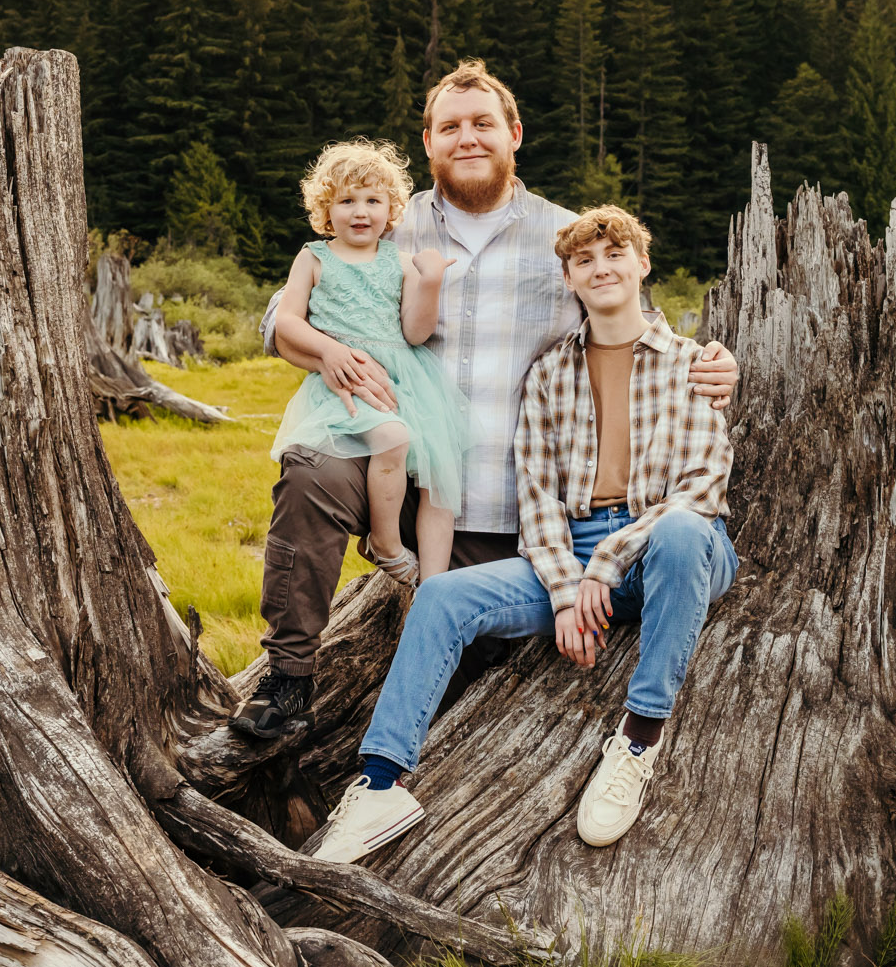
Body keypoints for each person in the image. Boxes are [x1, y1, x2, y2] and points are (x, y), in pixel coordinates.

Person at [229, 61, 739, 742]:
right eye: (450, 127)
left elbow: (629, 321)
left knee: (479, 681)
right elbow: (280, 314)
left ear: (514, 134)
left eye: (482, 124)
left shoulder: (562, 235)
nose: (467, 138)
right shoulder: (386, 220)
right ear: (429, 142)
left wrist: (713, 359)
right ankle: (290, 673)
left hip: (510, 502)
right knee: (312, 472)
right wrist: (326, 351)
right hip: (402, 466)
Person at [310, 205, 736, 860]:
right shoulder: (549, 374)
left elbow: (700, 487)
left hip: (674, 549)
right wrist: (568, 590)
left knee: (680, 529)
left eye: (614, 253)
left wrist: (605, 567)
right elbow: (537, 502)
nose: (601, 268)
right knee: (442, 596)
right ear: (567, 277)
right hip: (579, 547)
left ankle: (638, 739)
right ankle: (380, 782)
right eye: (584, 260)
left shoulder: (693, 364)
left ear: (641, 263)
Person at [265, 139, 467, 581]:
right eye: (347, 200)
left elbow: (416, 331)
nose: (360, 211)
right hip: (345, 378)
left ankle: (433, 587)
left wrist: (430, 281)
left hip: (408, 380)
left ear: (390, 209)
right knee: (394, 438)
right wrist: (329, 350)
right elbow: (287, 323)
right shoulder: (313, 257)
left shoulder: (401, 261)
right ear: (326, 209)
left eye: (373, 200)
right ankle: (386, 543)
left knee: (440, 473)